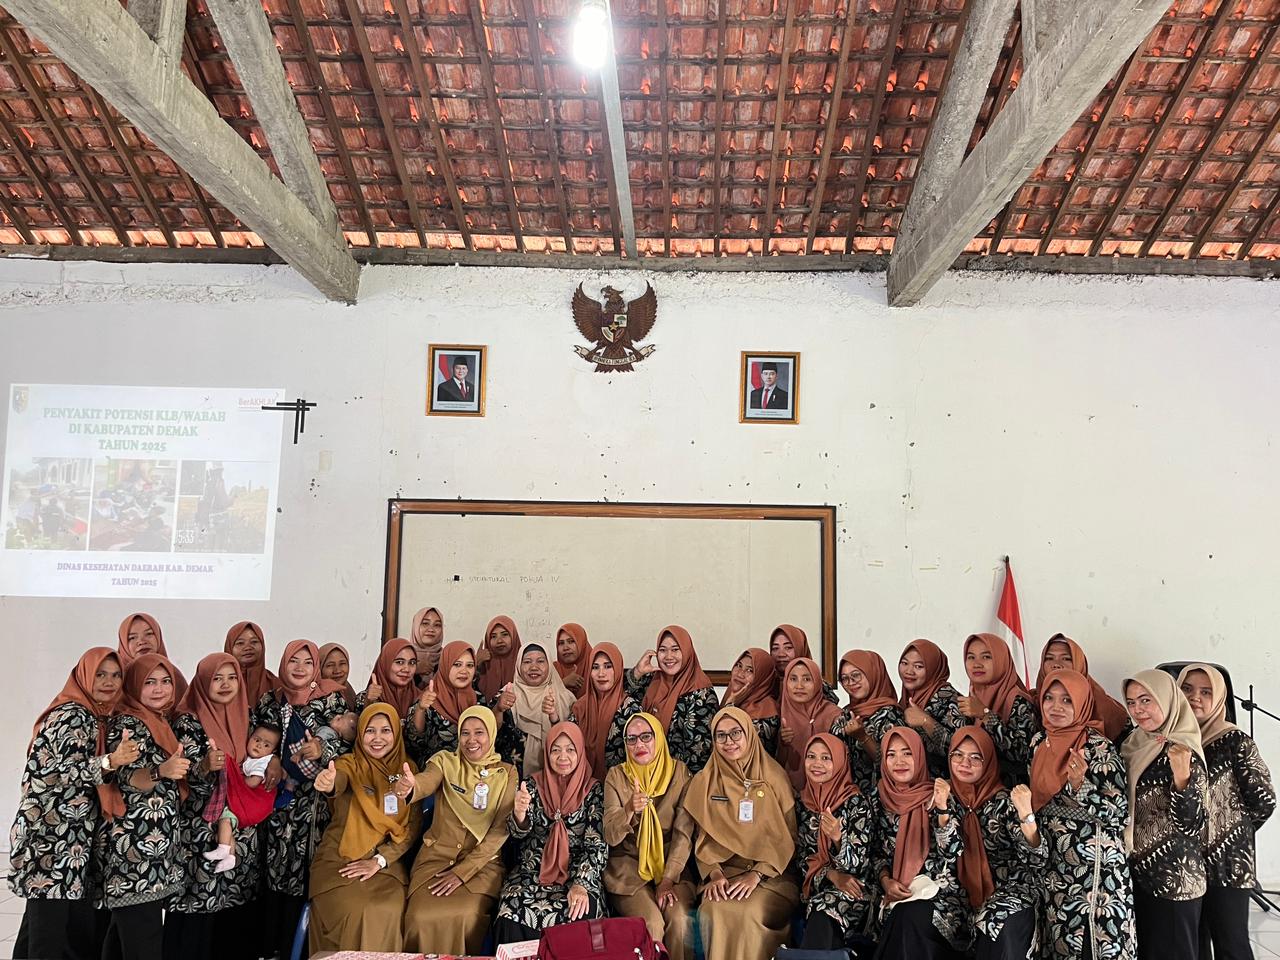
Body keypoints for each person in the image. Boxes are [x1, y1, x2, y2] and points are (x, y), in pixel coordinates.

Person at [9, 648, 133, 960]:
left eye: (115, 675)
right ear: (84, 677)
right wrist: (111, 761)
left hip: (66, 835)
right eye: (100, 674)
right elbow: (60, 772)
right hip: (51, 835)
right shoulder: (72, 714)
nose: (108, 682)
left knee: (39, 922)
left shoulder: (95, 715)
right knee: (48, 930)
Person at [165, 654, 270, 960]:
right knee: (197, 913)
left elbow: (260, 754)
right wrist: (203, 767)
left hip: (242, 828)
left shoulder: (246, 715)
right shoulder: (187, 721)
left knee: (234, 916)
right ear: (202, 682)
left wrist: (271, 761)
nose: (226, 684)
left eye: (232, 677)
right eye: (217, 679)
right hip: (201, 831)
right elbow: (182, 777)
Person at [252, 640, 350, 960]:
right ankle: (273, 949)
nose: (299, 668)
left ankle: (302, 950)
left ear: (315, 667)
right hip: (276, 800)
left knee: (307, 876)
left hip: (316, 805)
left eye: (307, 662)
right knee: (274, 871)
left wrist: (323, 749)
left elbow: (350, 745)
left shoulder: (331, 700)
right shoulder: (271, 700)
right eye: (293, 660)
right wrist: (271, 758)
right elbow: (257, 740)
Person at [1029, 669, 1134, 960]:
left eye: (1067, 700)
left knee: (1092, 946)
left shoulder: (1099, 747)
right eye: (1049, 698)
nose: (1056, 706)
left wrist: (1081, 786)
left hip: (1094, 869)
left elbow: (1118, 814)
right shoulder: (1039, 742)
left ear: (1082, 703)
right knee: (1061, 942)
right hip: (1055, 864)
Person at [395, 705, 516, 954]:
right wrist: (410, 787)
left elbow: (500, 830)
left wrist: (462, 872)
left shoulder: (507, 773)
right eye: (465, 733)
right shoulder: (445, 761)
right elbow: (427, 781)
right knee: (419, 916)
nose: (471, 740)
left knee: (466, 915)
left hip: (482, 865)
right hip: (436, 860)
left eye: (479, 732)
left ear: (491, 734)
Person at [1178, 663, 1275, 960]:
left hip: (1228, 865)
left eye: (1206, 692)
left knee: (1231, 944)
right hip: (1185, 863)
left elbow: (1263, 800)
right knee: (1194, 944)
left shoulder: (1235, 741)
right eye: (1187, 689)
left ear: (1219, 698)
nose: (1195, 697)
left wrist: (1230, 832)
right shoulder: (1171, 740)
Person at [686, 706, 799, 960]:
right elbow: (701, 839)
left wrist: (756, 874)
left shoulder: (774, 777)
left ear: (749, 734)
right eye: (721, 735)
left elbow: (789, 838)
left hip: (773, 876)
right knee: (714, 910)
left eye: (736, 733)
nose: (729, 742)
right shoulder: (705, 780)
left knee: (749, 912)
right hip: (725, 874)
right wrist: (714, 874)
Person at [308, 704, 421, 953]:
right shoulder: (349, 763)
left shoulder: (408, 771)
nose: (377, 738)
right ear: (360, 734)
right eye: (370, 731)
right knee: (359, 910)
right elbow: (338, 780)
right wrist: (328, 783)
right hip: (340, 862)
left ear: (396, 733)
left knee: (392, 908)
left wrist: (379, 861)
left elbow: (412, 827)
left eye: (385, 730)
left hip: (386, 866)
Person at [100, 655, 191, 960]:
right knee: (143, 937)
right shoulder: (129, 722)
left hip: (153, 850)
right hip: (135, 851)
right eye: (149, 682)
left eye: (165, 681)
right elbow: (128, 777)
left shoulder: (158, 720)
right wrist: (160, 771)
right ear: (135, 685)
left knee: (124, 935)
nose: (159, 689)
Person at [1121, 669, 1207, 960]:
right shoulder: (1133, 743)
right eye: (1131, 702)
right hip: (1138, 873)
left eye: (1146, 700)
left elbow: (1193, 824)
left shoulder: (1183, 749)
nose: (1138, 709)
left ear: (1168, 699)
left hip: (1175, 879)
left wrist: (1182, 779)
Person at [494, 722, 607, 941]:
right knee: (509, 912)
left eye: (570, 749)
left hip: (577, 872)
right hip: (533, 870)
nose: (563, 756)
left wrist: (581, 884)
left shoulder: (593, 790)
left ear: (580, 752)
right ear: (547, 753)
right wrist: (519, 814)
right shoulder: (532, 785)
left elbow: (597, 845)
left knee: (581, 911)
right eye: (556, 750)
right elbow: (518, 835)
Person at [602, 713, 697, 960]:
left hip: (672, 867)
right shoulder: (616, 776)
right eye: (631, 739)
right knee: (651, 924)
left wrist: (668, 879)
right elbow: (610, 835)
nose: (639, 745)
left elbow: (683, 834)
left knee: (679, 920)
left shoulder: (679, 773)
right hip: (628, 868)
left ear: (659, 738)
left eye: (646, 736)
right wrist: (629, 810)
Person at [947, 726, 1044, 960]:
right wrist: (941, 810)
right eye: (958, 755)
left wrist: (1026, 815)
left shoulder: (1005, 801)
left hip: (1010, 887)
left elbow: (1036, 859)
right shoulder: (944, 798)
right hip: (958, 892)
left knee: (995, 922)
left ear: (989, 761)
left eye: (975, 757)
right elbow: (946, 852)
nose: (965, 763)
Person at [872, 726, 966, 959]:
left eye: (907, 753)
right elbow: (875, 853)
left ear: (919, 755)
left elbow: (952, 853)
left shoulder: (938, 794)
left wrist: (942, 809)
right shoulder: (879, 798)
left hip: (940, 894)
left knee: (909, 918)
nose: (899, 761)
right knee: (903, 916)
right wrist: (886, 881)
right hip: (897, 892)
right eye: (891, 754)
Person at [794, 733, 873, 951]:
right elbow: (800, 857)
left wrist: (838, 840)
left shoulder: (855, 802)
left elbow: (860, 865)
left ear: (839, 762)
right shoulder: (803, 802)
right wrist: (831, 875)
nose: (817, 764)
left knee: (824, 914)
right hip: (815, 887)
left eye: (826, 758)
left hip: (856, 887)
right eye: (811, 756)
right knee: (822, 911)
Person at [628, 626, 720, 773]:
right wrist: (638, 672)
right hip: (644, 774)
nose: (668, 656)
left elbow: (699, 756)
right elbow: (623, 707)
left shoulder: (702, 695)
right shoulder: (652, 681)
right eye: (663, 650)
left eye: (675, 649)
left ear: (687, 652)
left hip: (680, 779)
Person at [956, 633, 1040, 785]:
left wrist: (985, 714)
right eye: (971, 657)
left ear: (1001, 660)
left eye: (986, 657)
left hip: (1010, 789)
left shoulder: (1018, 700)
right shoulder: (973, 693)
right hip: (975, 786)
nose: (977, 664)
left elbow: (1022, 753)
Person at [201, 724, 278, 873]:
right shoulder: (252, 758)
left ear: (273, 751)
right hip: (247, 805)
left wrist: (236, 780)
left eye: (266, 745)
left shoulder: (262, 762)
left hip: (251, 802)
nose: (259, 745)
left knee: (225, 820)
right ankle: (230, 857)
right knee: (227, 825)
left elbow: (253, 782)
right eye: (256, 740)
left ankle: (223, 849)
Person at [1032, 634, 1129, 741]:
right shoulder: (1030, 704)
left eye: (1066, 659)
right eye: (1049, 658)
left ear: (1079, 663)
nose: (1056, 664)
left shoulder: (1108, 709)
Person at [833, 649, 904, 794]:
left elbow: (893, 763)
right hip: (849, 797)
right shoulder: (845, 713)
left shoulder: (891, 714)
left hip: (882, 796)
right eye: (844, 678)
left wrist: (863, 737)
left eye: (856, 675)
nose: (850, 683)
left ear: (873, 673)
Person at [569, 642, 642, 779]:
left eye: (608, 666)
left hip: (620, 785)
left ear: (618, 670)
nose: (601, 673)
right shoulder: (580, 707)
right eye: (595, 667)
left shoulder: (631, 709)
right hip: (583, 785)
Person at [501, 643, 576, 776]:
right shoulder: (507, 694)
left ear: (549, 665)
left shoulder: (566, 698)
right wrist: (498, 708)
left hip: (558, 775)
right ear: (518, 666)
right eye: (527, 662)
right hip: (513, 777)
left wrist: (554, 716)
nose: (534, 667)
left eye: (540, 661)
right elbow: (491, 733)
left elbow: (574, 741)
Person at [897, 639, 965, 776]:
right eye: (904, 663)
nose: (909, 671)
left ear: (933, 669)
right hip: (911, 779)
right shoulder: (907, 697)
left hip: (942, 781)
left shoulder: (947, 698)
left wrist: (926, 721)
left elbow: (961, 750)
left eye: (918, 666)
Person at [405, 640, 479, 765]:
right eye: (457, 664)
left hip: (471, 771)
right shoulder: (428, 698)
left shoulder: (479, 700)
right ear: (445, 665)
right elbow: (413, 745)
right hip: (436, 771)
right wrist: (421, 709)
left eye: (470, 665)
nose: (464, 671)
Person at [778, 658, 842, 790]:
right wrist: (783, 743)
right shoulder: (778, 714)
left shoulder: (834, 715)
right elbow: (775, 765)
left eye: (807, 679)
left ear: (817, 682)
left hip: (829, 792)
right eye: (793, 679)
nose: (799, 686)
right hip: (788, 791)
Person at [721, 648, 780, 752]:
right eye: (739, 666)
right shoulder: (732, 695)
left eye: (750, 670)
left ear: (762, 677)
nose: (740, 674)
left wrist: (730, 704)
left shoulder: (768, 711)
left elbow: (735, 747)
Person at [768, 624, 838, 703]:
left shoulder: (820, 690)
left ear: (801, 649)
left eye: (788, 648)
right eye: (775, 648)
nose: (781, 654)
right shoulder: (766, 687)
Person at [359, 638, 418, 722]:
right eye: (399, 662)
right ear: (385, 664)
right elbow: (360, 727)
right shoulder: (364, 698)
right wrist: (368, 703)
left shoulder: (421, 698)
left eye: (412, 663)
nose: (407, 669)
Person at [224, 621, 277, 705]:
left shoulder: (277, 686)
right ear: (229, 647)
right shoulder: (219, 685)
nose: (248, 647)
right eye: (240, 643)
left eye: (254, 642)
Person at [477, 615, 522, 701]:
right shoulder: (482, 666)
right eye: (493, 636)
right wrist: (475, 664)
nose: (499, 641)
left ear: (514, 636)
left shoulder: (525, 664)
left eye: (504, 634)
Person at [554, 622, 593, 697]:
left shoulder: (596, 667)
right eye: (561, 643)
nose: (565, 648)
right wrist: (563, 683)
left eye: (571, 641)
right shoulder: (552, 670)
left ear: (582, 643)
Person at [410, 605, 445, 685]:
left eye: (437, 625)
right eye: (425, 623)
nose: (431, 629)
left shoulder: (447, 658)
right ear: (416, 626)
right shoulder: (401, 656)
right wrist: (413, 669)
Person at [317, 643, 357, 707]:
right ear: (319, 668)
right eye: (330, 665)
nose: (337, 671)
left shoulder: (347, 691)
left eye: (342, 663)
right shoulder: (317, 698)